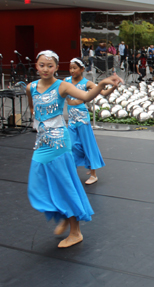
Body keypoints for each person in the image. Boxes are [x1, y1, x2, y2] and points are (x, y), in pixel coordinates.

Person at [26, 50, 123, 248]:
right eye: (41, 65)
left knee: (65, 183)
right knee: (37, 183)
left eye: (50, 65)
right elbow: (33, 109)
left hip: (60, 143)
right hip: (42, 142)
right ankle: (63, 212)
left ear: (56, 67)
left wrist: (104, 83)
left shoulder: (62, 86)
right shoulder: (31, 87)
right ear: (36, 66)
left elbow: (87, 96)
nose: (45, 69)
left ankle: (75, 231)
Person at [64, 58, 115, 185]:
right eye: (70, 68)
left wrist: (113, 87)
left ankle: (93, 174)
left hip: (82, 118)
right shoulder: (66, 81)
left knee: (87, 145)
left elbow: (103, 92)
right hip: (71, 119)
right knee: (71, 146)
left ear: (82, 69)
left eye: (74, 68)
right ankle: (72, 172)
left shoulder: (86, 83)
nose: (72, 70)